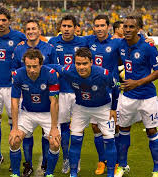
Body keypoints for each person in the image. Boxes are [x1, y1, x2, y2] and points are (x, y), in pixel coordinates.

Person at [50, 47, 119, 177]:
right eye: (78, 64)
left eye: (85, 63)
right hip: (81, 108)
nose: (81, 67)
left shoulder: (103, 74)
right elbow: (51, 66)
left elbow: (116, 88)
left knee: (109, 140)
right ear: (74, 63)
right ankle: (74, 173)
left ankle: (110, 174)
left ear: (91, 62)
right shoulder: (68, 70)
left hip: (103, 108)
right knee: (75, 140)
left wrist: (113, 108)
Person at [11, 19, 58, 176]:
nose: (31, 69)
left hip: (46, 110)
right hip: (28, 110)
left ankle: (48, 169)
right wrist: (14, 128)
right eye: (28, 66)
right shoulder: (19, 71)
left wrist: (53, 126)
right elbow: (14, 101)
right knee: (15, 139)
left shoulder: (49, 64)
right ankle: (21, 169)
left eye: (34, 66)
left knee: (54, 140)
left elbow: (54, 102)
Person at [115, 16, 158, 177]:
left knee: (152, 130)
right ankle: (123, 166)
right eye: (125, 26)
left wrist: (138, 83)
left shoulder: (148, 47)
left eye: (131, 27)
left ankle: (156, 169)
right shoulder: (120, 44)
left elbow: (157, 71)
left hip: (147, 97)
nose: (127, 30)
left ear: (139, 28)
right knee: (123, 129)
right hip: (127, 96)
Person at [0, 7, 26, 171]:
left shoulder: (19, 37)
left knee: (15, 123)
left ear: (9, 21)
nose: (1, 23)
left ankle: (15, 155)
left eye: (4, 20)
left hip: (13, 87)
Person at [48, 15, 88, 174]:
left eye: (69, 26)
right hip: (61, 92)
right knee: (63, 126)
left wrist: (145, 37)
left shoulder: (83, 42)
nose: (66, 29)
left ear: (75, 28)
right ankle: (66, 158)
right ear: (60, 27)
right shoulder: (53, 43)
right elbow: (48, 63)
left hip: (79, 91)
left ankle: (75, 159)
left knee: (78, 129)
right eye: (63, 26)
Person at [84, 14, 122, 175]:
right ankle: (102, 160)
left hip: (112, 91)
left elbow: (134, 44)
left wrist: (146, 39)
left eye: (102, 25)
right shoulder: (88, 41)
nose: (99, 28)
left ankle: (117, 161)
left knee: (114, 127)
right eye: (96, 25)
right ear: (93, 27)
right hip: (94, 92)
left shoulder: (117, 42)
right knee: (95, 127)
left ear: (108, 27)